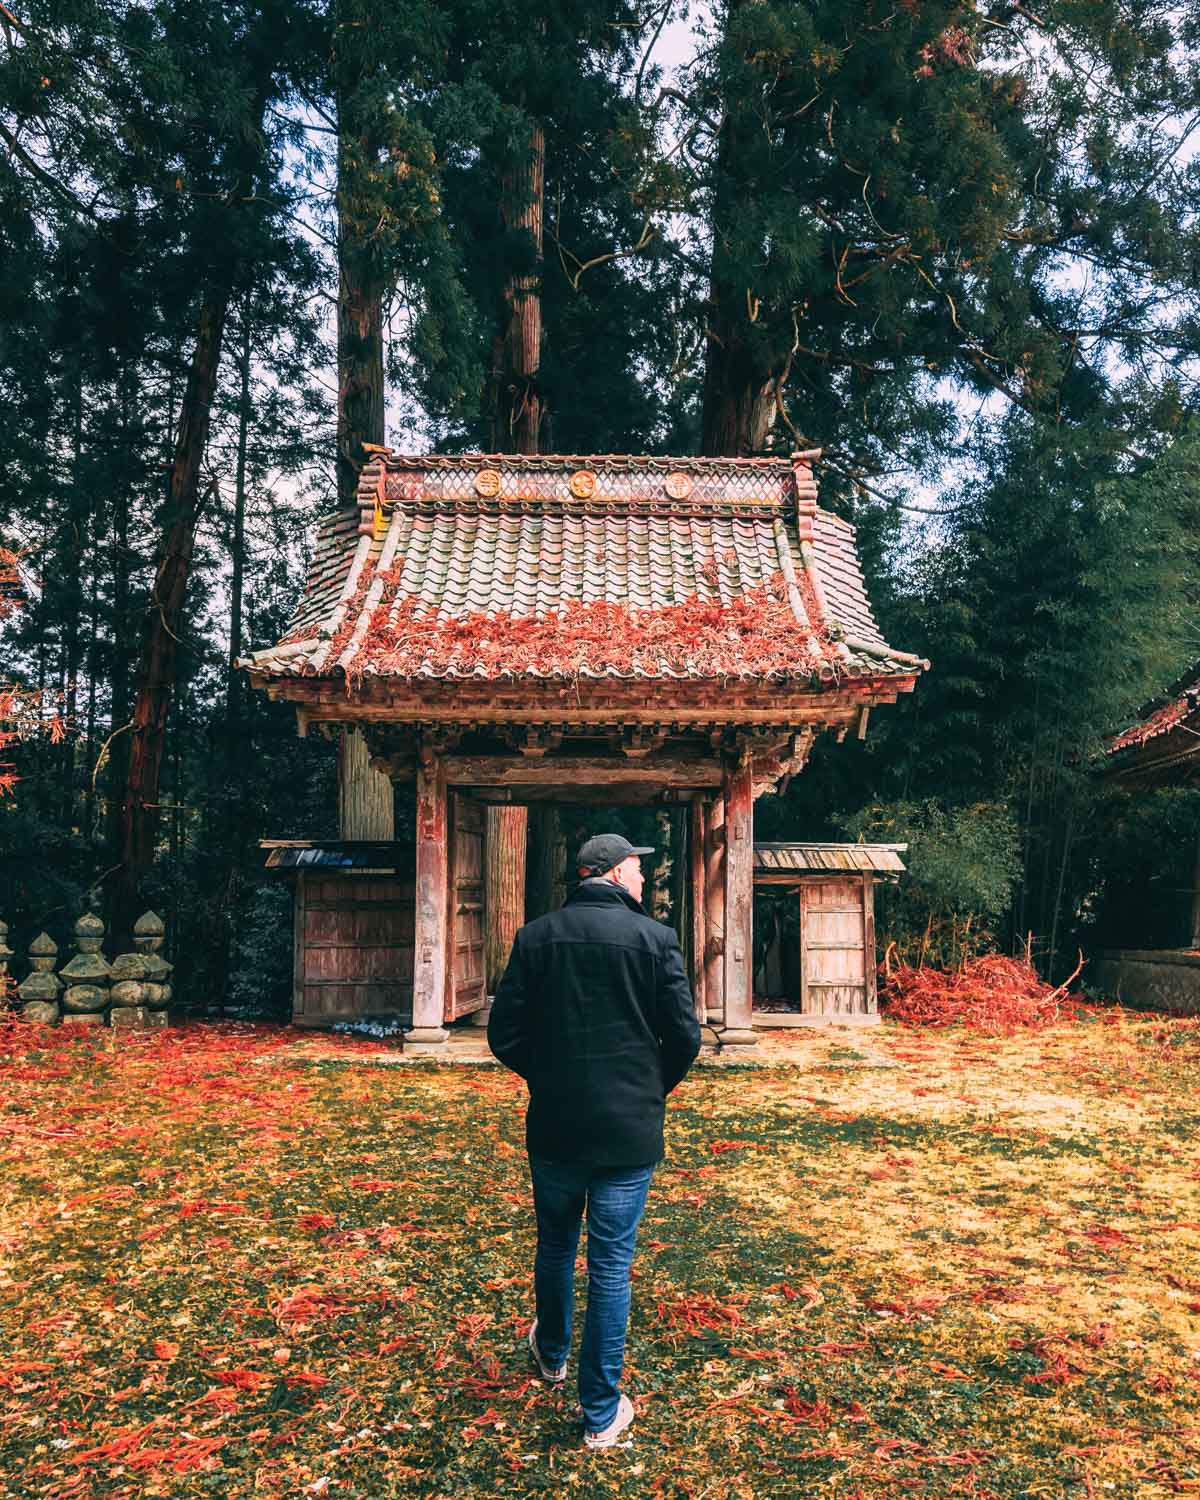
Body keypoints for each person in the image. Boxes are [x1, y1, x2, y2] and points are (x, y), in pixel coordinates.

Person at [487, 832, 702, 1449]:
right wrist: (648, 1088)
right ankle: (601, 1412)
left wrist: (550, 1077)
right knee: (611, 1264)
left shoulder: (536, 938)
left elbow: (505, 1034)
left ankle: (550, 1352)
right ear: (608, 872)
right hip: (628, 1129)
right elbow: (684, 1037)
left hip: (555, 1122)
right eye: (637, 869)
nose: (641, 879)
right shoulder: (657, 941)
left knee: (556, 1243)